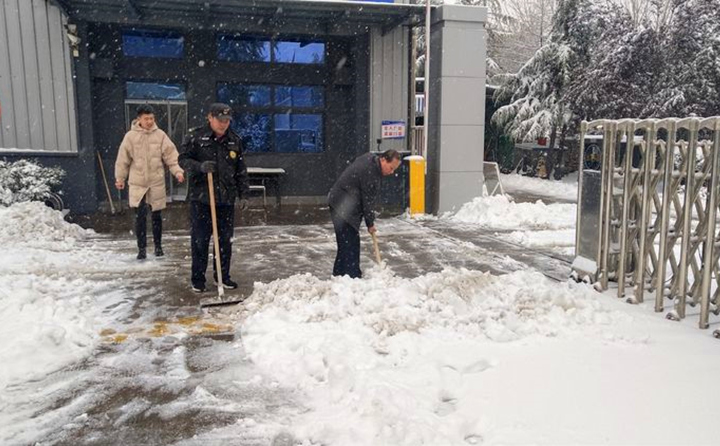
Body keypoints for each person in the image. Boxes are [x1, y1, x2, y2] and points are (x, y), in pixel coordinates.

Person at [178, 103, 250, 293]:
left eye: (227, 121)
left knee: (225, 240)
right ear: (210, 117)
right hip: (201, 199)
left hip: (226, 199)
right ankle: (198, 279)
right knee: (200, 240)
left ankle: (223, 277)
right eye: (220, 120)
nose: (223, 124)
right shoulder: (195, 137)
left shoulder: (234, 140)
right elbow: (182, 160)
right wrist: (200, 166)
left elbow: (240, 170)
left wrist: (244, 194)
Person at [115, 104, 184, 260]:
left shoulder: (160, 135)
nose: (149, 121)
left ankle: (158, 247)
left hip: (156, 182)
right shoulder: (130, 137)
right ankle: (142, 248)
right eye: (146, 118)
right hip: (137, 182)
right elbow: (122, 160)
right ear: (139, 119)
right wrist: (120, 178)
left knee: (157, 216)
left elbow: (171, 155)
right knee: (140, 217)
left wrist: (178, 171)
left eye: (152, 118)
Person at [327, 149, 401, 278]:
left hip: (339, 201)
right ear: (383, 160)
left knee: (346, 242)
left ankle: (339, 274)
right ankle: (352, 277)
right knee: (350, 244)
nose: (391, 172)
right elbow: (368, 201)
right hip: (343, 206)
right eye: (391, 168)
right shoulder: (370, 173)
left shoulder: (371, 159)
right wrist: (370, 224)